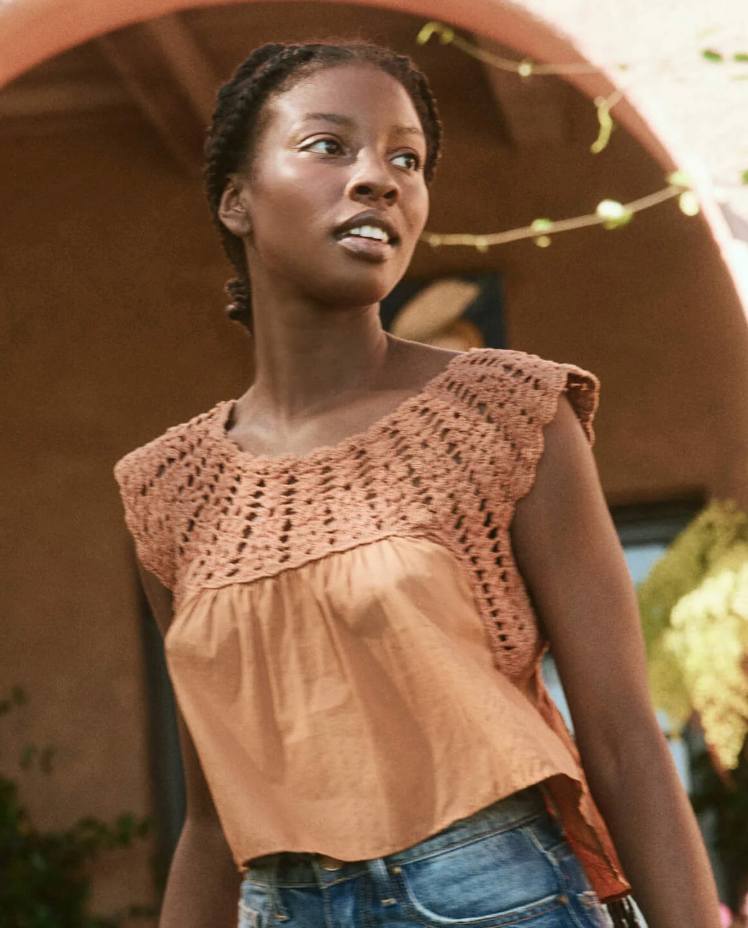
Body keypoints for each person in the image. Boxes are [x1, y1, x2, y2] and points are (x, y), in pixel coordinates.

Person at [114, 41, 722, 928]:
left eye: (407, 159)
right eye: (329, 146)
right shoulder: (169, 489)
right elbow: (211, 820)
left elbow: (627, 740)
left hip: (500, 897)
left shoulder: (506, 413)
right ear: (236, 200)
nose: (379, 179)